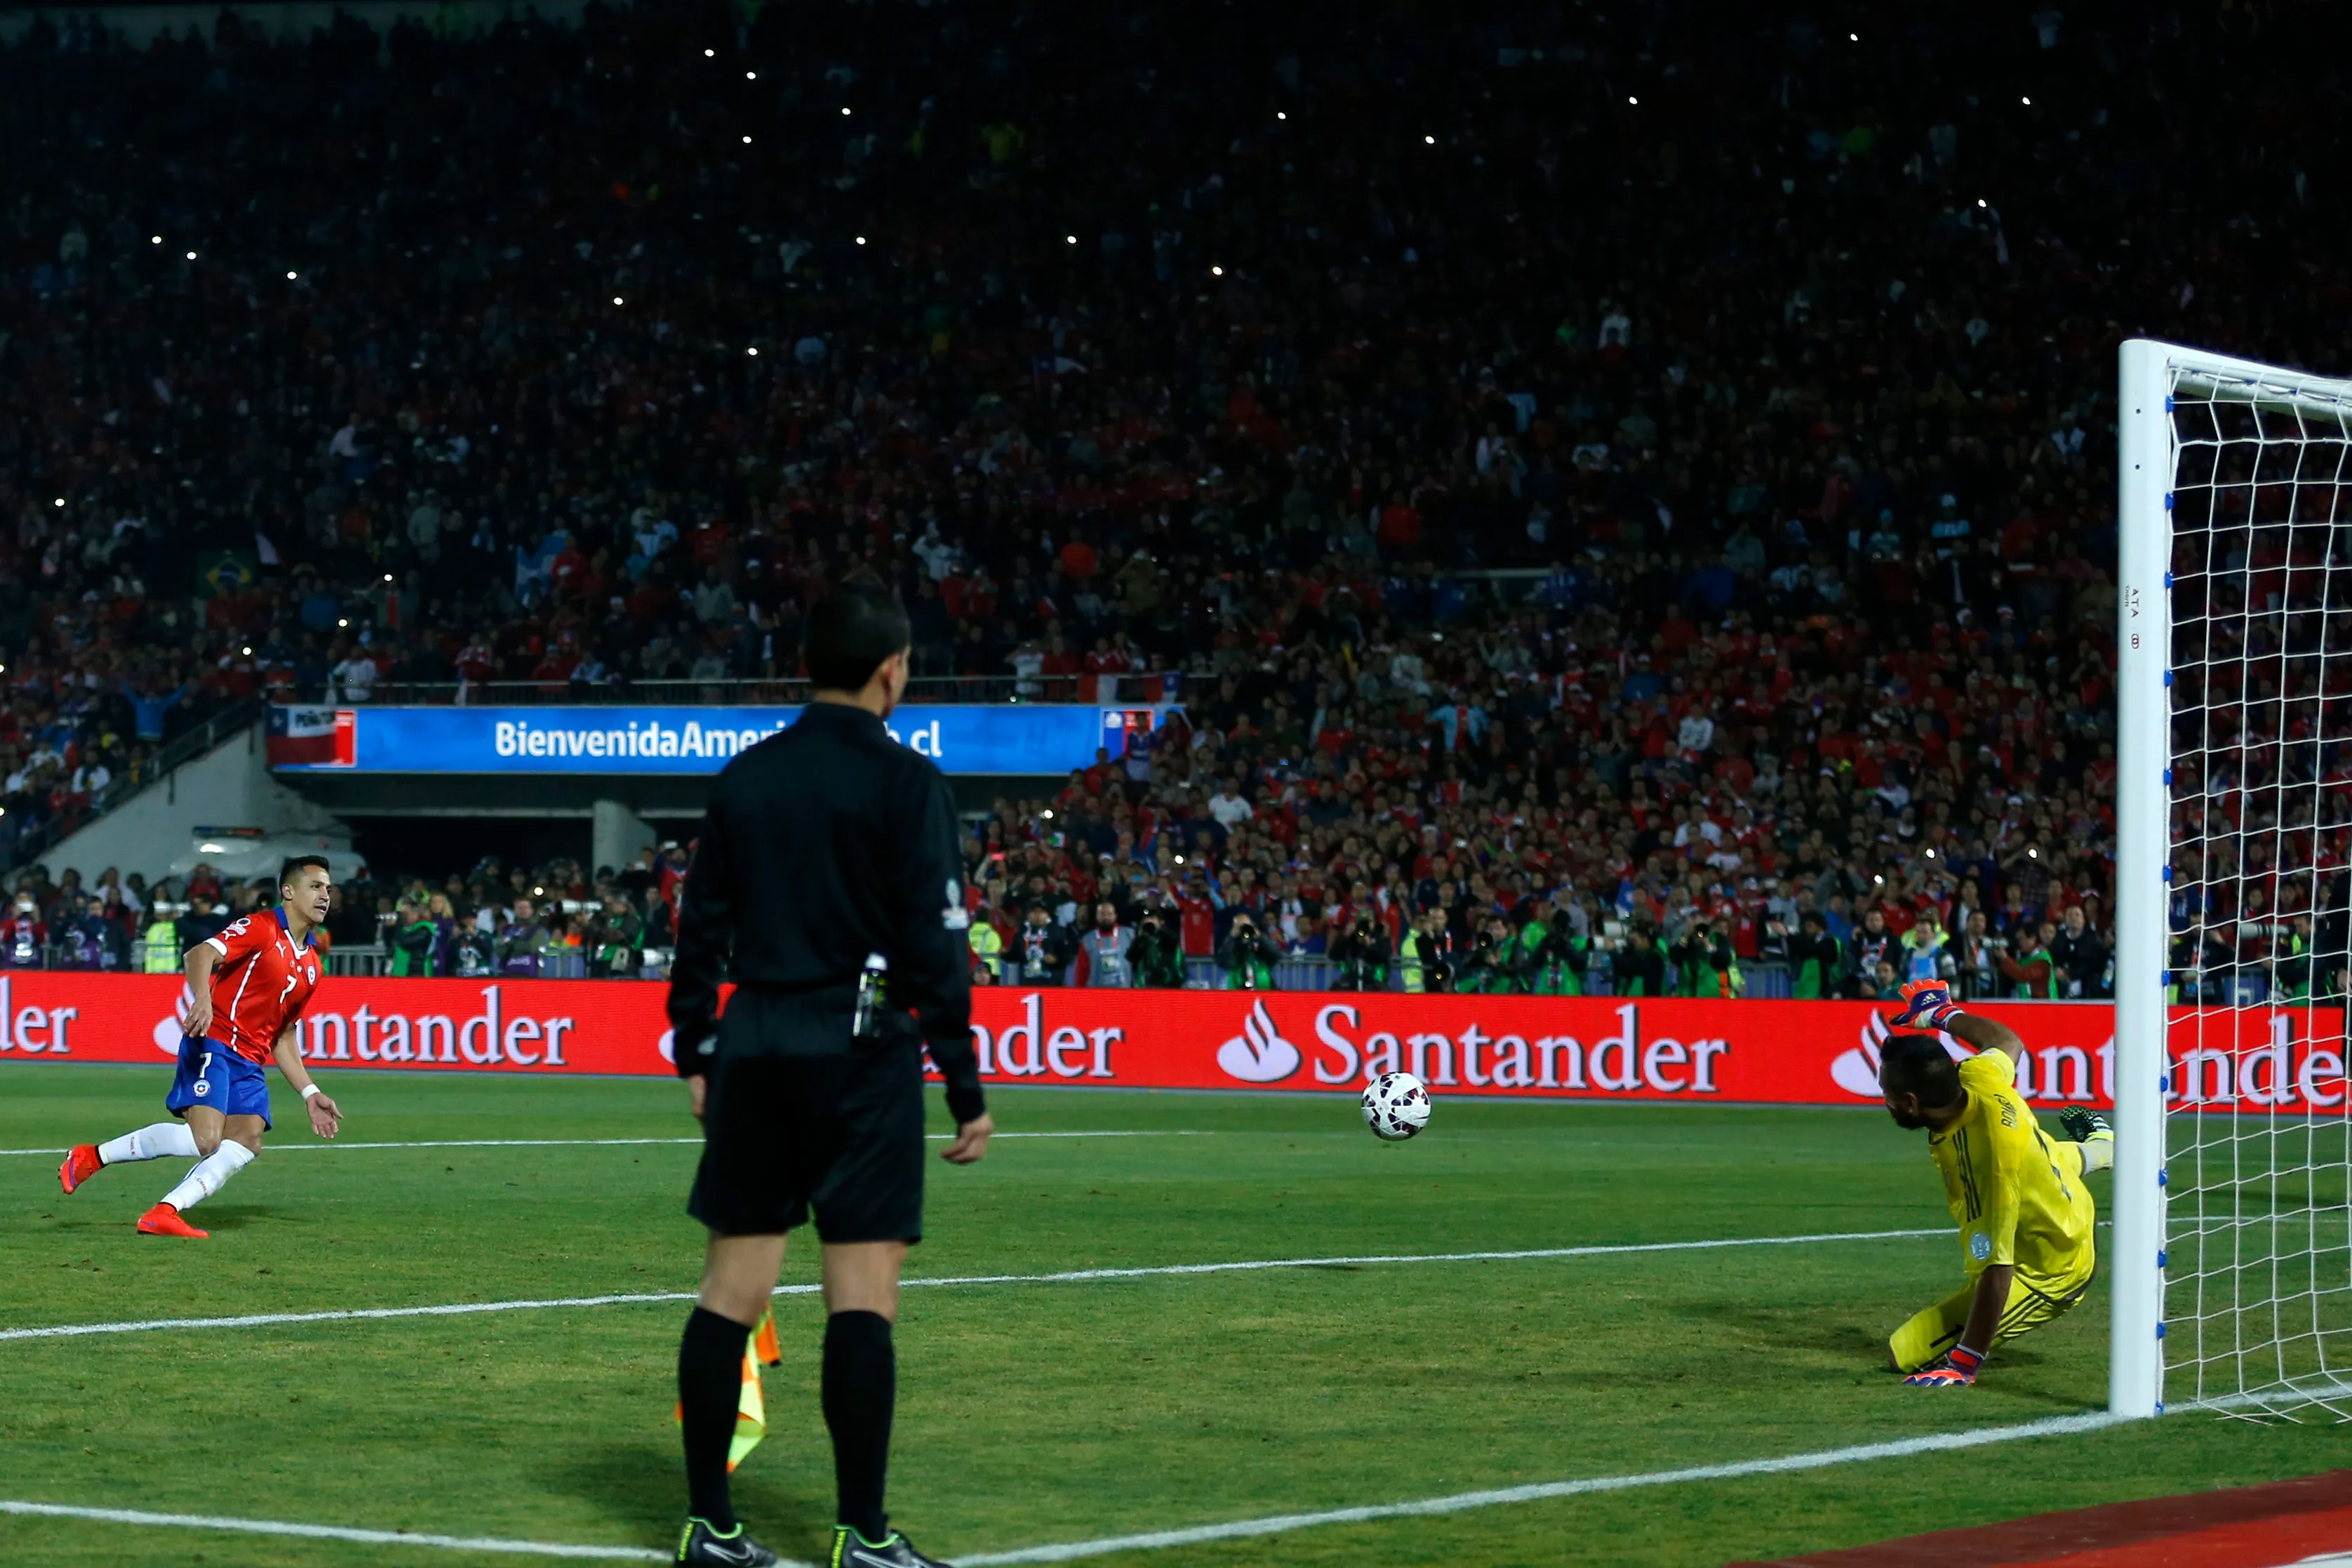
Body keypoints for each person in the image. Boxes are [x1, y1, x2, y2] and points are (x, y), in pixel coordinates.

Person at [665, 578, 990, 1568]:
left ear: (808, 663)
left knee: (730, 1292)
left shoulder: (747, 776)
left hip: (757, 1041)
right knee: (862, 1298)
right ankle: (863, 1533)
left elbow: (700, 926)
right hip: (862, 1047)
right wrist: (963, 1085)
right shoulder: (908, 783)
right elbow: (937, 946)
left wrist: (697, 1048)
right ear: (892, 670)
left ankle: (710, 1527)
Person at [58, 857, 343, 1238]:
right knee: (205, 1140)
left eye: (328, 889)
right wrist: (203, 999)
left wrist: (310, 1093)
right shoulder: (260, 928)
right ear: (288, 891)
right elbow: (199, 954)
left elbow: (284, 1036)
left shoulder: (311, 965)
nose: (325, 895)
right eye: (316, 886)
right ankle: (93, 1156)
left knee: (247, 1140)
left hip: (250, 1060)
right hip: (215, 1039)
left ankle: (165, 1212)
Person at [1876, 979, 2113, 1383]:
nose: (1885, 1101)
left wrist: (1963, 1363)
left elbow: (1998, 1268)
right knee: (2043, 1156)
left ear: (1912, 1103)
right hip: (2046, 1173)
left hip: (2050, 1265)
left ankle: (2104, 1150)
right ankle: (2105, 1146)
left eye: (1888, 1094)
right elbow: (2007, 1040)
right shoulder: (1977, 1074)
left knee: (1905, 1352)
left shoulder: (1987, 1165)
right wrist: (1942, 1015)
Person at [1217, 912, 1279, 989]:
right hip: (1237, 989)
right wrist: (1232, 938)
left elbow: (1277, 955)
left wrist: (1261, 937)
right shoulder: (1232, 944)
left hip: (1263, 990)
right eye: (1240, 927)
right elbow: (1223, 961)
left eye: (1247, 926)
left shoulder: (1260, 943)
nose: (1244, 930)